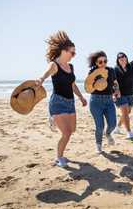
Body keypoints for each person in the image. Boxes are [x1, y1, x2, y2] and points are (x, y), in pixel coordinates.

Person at [35, 31, 87, 168]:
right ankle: (59, 158)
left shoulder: (71, 67)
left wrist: (81, 97)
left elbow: (72, 84)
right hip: (57, 102)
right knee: (66, 133)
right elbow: (45, 74)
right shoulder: (54, 65)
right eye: (72, 52)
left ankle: (54, 121)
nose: (73, 55)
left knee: (72, 130)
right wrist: (40, 79)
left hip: (70, 103)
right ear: (64, 51)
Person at [88, 51, 120, 154]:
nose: (103, 63)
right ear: (96, 63)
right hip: (95, 101)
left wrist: (117, 91)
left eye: (105, 61)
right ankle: (98, 145)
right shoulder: (92, 72)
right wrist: (98, 83)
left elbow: (115, 83)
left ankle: (108, 134)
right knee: (100, 126)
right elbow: (88, 86)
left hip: (109, 100)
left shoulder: (111, 70)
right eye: (100, 62)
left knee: (113, 124)